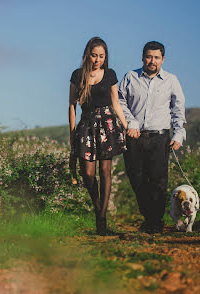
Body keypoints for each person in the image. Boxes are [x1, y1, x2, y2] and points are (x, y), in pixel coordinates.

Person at [118, 41, 186, 234]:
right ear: (142, 57)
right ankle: (149, 218)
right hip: (134, 137)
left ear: (163, 59)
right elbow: (119, 101)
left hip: (159, 137)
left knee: (158, 181)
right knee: (137, 179)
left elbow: (178, 110)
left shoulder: (171, 80)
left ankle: (155, 223)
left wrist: (179, 134)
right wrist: (130, 122)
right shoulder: (130, 77)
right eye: (149, 56)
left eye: (156, 57)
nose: (152, 61)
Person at [69, 37, 128, 235]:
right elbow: (71, 106)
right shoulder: (77, 76)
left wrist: (127, 126)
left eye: (101, 56)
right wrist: (72, 134)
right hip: (86, 126)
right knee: (87, 174)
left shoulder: (110, 74)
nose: (97, 60)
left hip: (107, 125)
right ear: (87, 55)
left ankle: (101, 220)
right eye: (94, 55)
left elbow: (116, 104)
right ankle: (98, 209)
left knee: (105, 171)